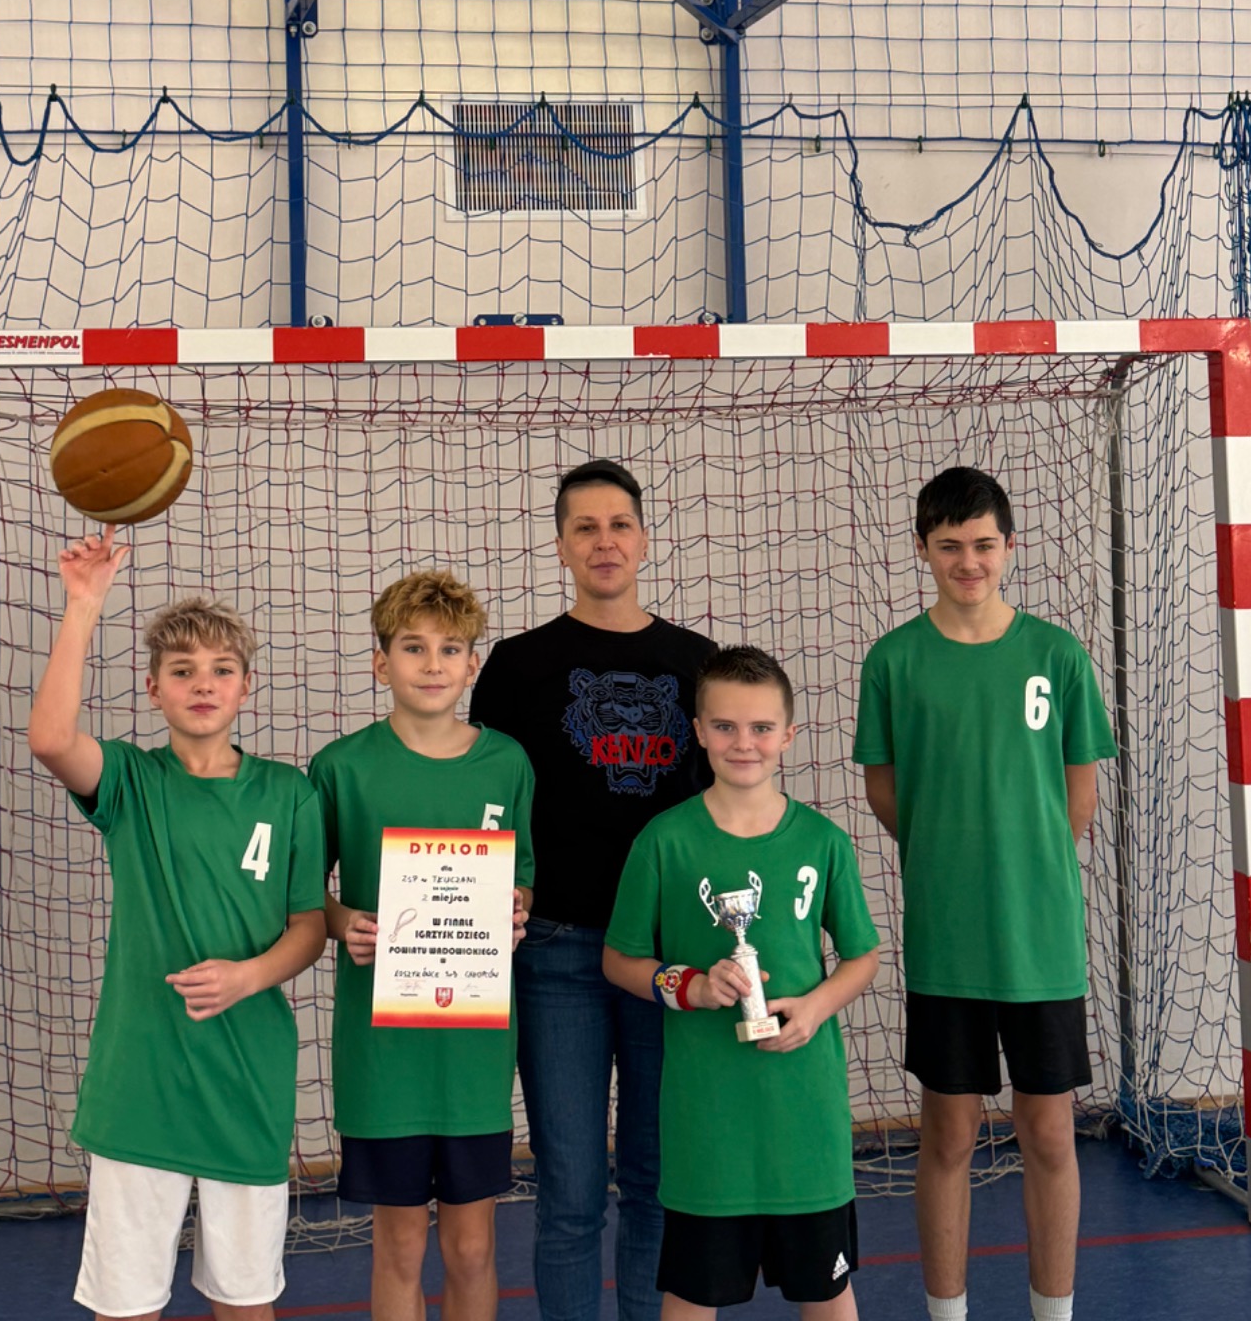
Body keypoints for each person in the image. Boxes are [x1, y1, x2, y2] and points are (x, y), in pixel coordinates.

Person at [27, 525, 327, 1321]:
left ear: (246, 687)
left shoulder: (289, 794)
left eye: (221, 669)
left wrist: (248, 976)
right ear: (153, 688)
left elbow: (308, 924)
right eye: (182, 670)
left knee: (246, 1302)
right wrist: (84, 603)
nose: (203, 683)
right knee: (126, 1308)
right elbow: (51, 738)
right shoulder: (131, 780)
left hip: (246, 1080)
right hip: (141, 1085)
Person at [853, 466, 1118, 1321]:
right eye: (949, 546)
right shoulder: (894, 660)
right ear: (923, 550)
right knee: (949, 1134)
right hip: (947, 939)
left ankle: (1054, 1312)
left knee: (1049, 1132)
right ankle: (947, 1312)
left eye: (982, 545)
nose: (967, 561)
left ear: (1009, 546)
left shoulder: (1056, 654)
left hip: (1040, 939)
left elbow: (1079, 796)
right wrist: (952, 854)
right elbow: (884, 789)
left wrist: (1022, 862)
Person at [471, 459, 715, 1321]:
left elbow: (725, 810)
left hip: (664, 958)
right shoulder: (518, 666)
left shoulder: (697, 662)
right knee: (570, 1192)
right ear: (561, 546)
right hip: (557, 954)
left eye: (619, 525)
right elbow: (485, 801)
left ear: (644, 539)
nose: (604, 541)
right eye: (585, 527)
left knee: (655, 1182)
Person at [603, 644, 881, 1321]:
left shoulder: (822, 841)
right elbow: (619, 960)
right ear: (699, 731)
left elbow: (863, 957)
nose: (743, 743)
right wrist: (691, 987)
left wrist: (814, 1008)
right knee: (692, 1296)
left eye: (760, 727)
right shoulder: (663, 841)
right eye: (725, 726)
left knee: (828, 1293)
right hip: (708, 1125)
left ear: (788, 734)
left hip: (806, 1123)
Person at [309, 571, 535, 1321]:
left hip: (473, 1053)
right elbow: (306, 898)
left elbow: (524, 875)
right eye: (413, 648)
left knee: (472, 1248)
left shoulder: (506, 762)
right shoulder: (341, 767)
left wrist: (516, 909)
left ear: (473, 665)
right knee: (400, 1247)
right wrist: (345, 922)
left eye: (450, 649)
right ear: (382, 663)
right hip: (384, 1056)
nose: (432, 664)